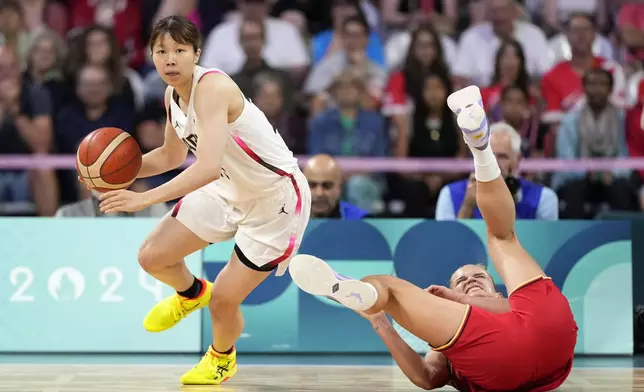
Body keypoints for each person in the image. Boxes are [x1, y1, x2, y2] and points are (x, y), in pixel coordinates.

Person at [288, 86, 578, 391]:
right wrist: (380, 323)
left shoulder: (503, 302)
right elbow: (427, 377)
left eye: (478, 275)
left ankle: (481, 146)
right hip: (514, 351)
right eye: (462, 280)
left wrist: (458, 296)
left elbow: (512, 311)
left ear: (497, 287)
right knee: (495, 241)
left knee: (501, 238)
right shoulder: (455, 323)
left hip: (548, 330)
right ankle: (479, 147)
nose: (470, 280)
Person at [87, 16, 312, 385]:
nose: (170, 59)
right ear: (151, 56)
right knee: (152, 256)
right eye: (162, 51)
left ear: (197, 54)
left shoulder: (213, 88)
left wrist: (143, 199)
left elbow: (205, 167)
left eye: (179, 50)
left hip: (276, 201)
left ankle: (222, 359)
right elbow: (169, 157)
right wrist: (108, 174)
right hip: (228, 188)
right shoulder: (171, 95)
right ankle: (191, 293)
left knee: (224, 300)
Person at [303, 154, 368, 219]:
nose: (319, 193)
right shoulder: (292, 218)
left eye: (327, 185)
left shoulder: (360, 221)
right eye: (312, 185)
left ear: (339, 188)